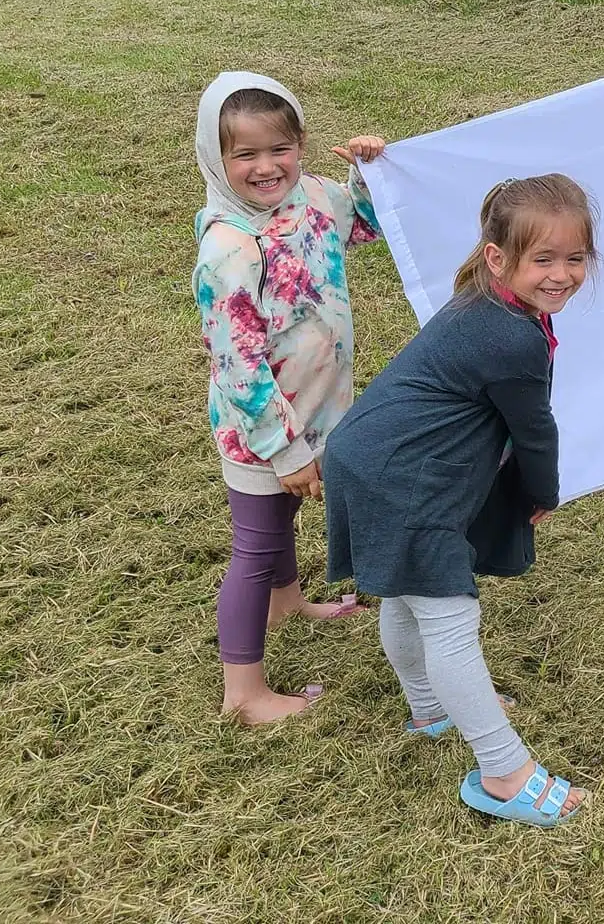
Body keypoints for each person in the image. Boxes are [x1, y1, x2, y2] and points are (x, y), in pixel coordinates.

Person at [323, 175, 596, 828]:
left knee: (405, 593)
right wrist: (542, 494)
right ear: (499, 258)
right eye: (544, 259)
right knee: (448, 618)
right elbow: (536, 431)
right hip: (400, 481)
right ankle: (505, 773)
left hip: (365, 457)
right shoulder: (514, 335)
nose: (561, 275)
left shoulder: (489, 301)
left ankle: (430, 707)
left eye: (576, 258)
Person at [192, 71, 386, 725]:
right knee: (254, 545)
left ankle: (288, 603)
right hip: (263, 430)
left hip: (319, 410)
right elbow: (239, 368)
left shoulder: (311, 198)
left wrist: (367, 176)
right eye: (245, 154)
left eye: (280, 147)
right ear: (216, 161)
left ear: (301, 143)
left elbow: (365, 228)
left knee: (280, 525)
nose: (266, 166)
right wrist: (285, 450)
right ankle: (243, 693)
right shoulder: (229, 251)